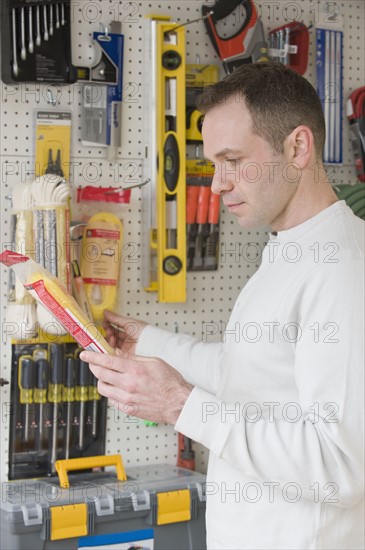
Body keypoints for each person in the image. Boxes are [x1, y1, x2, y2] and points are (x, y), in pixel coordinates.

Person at [80, 63, 364, 549]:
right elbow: (254, 373)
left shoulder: (342, 270)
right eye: (214, 163)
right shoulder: (290, 248)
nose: (216, 185)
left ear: (298, 148)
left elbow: (340, 467)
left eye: (233, 160)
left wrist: (180, 404)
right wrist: (146, 342)